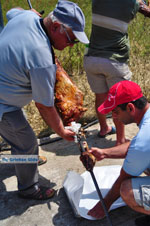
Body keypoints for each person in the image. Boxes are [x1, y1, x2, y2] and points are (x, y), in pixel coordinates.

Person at [0, 0, 89, 200]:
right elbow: (44, 106)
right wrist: (61, 131)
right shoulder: (41, 57)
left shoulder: (28, 17)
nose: (71, 45)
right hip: (3, 103)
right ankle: (29, 189)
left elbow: (12, 12)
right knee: (27, 143)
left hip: (5, 91)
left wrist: (30, 13)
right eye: (71, 39)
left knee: (19, 139)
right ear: (56, 26)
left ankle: (25, 161)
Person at [84, 0, 150, 146]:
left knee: (100, 96)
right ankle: (120, 140)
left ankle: (104, 128)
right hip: (114, 60)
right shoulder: (131, 4)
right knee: (120, 100)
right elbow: (142, 8)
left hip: (91, 58)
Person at [86, 80, 150, 220]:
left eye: (115, 112)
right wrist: (104, 153)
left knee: (128, 191)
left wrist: (105, 204)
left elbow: (124, 176)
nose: (114, 117)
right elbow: (137, 147)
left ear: (130, 108)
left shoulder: (144, 137)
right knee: (143, 162)